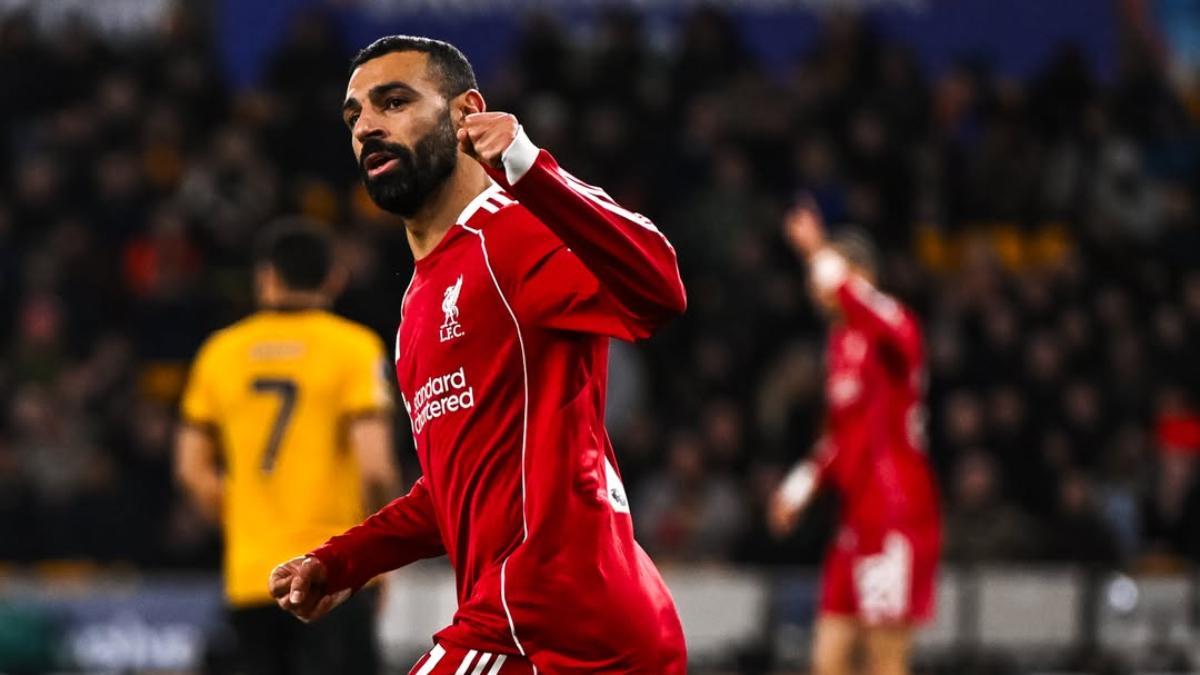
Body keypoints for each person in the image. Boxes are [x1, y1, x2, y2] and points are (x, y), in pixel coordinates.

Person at [267, 36, 688, 674]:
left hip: (549, 617)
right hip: (559, 620)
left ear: (466, 111)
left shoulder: (512, 230)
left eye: (395, 101)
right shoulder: (417, 306)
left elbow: (659, 287)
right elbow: (454, 491)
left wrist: (527, 164)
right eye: (355, 117)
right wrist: (342, 561)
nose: (368, 128)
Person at [176, 220, 399, 675]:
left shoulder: (220, 352)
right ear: (334, 278)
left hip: (253, 577)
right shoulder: (354, 349)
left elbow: (191, 470)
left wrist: (246, 519)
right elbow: (375, 468)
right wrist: (380, 555)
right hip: (333, 574)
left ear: (266, 276)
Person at [769, 201, 941, 675]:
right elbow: (838, 438)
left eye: (828, 276)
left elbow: (858, 300)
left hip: (895, 511)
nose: (816, 287)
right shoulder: (842, 345)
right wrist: (798, 489)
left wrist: (814, 249)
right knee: (828, 661)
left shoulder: (896, 327)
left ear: (859, 275)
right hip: (855, 516)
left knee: (885, 663)